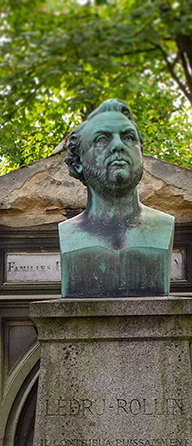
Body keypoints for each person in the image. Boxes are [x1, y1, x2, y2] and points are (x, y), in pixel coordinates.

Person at [59, 99, 174, 297]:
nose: (118, 146)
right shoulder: (68, 234)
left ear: (141, 154)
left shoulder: (164, 227)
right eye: (102, 139)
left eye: (128, 137)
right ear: (78, 163)